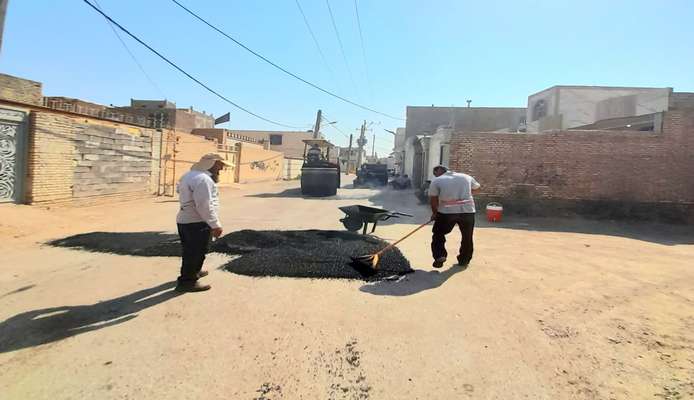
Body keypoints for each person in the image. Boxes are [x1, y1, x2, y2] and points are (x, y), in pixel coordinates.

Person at [175, 153, 232, 292]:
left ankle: (196, 271)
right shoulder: (203, 179)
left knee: (196, 249)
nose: (221, 170)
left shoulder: (189, 175)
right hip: (196, 221)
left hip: (185, 220)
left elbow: (180, 191)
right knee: (194, 252)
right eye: (219, 167)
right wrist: (215, 225)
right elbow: (204, 205)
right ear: (211, 164)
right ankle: (187, 282)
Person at [428, 165, 481, 269]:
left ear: (439, 171)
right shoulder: (466, 177)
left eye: (435, 173)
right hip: (468, 211)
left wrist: (435, 213)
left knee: (438, 234)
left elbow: (433, 199)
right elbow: (478, 189)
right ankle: (464, 260)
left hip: (447, 212)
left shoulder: (437, 181)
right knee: (467, 236)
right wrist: (464, 194)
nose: (435, 175)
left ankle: (440, 256)